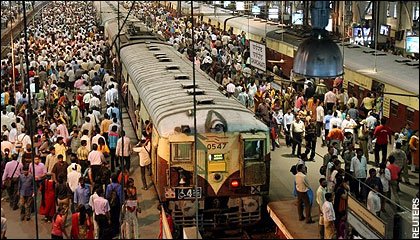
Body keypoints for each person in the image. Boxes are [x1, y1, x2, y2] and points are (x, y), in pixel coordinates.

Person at [106, 173, 123, 238]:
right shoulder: (119, 186)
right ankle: (117, 231)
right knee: (117, 217)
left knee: (112, 217)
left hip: (110, 204)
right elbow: (121, 197)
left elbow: (107, 196)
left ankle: (112, 231)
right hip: (117, 204)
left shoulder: (109, 186)